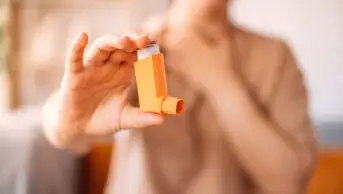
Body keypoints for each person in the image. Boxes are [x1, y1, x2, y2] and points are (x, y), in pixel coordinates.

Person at [42, 0, 317, 193]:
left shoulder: (275, 58)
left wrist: (220, 81)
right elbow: (65, 131)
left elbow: (288, 183)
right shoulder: (131, 48)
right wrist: (67, 122)